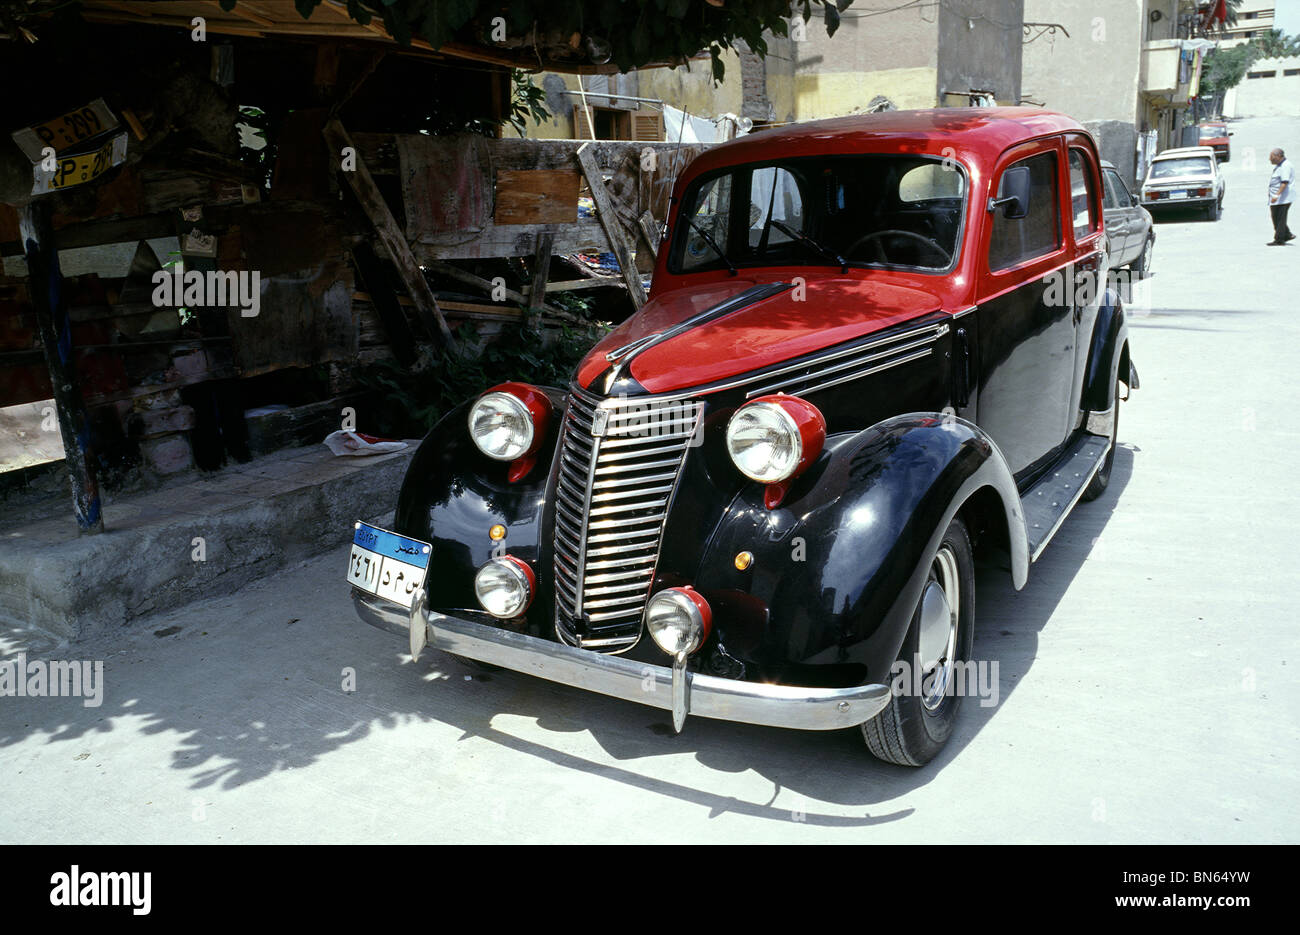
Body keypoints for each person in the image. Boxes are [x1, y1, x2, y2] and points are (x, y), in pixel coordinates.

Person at [1267, 148, 1294, 245]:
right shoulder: (1281, 165)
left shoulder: (1285, 166)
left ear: (1278, 156)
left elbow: (1284, 182)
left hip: (1282, 198)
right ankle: (1287, 234)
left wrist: (1276, 195)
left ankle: (1279, 239)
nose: (1270, 159)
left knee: (1279, 218)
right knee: (1277, 218)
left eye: (1271, 157)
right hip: (1279, 198)